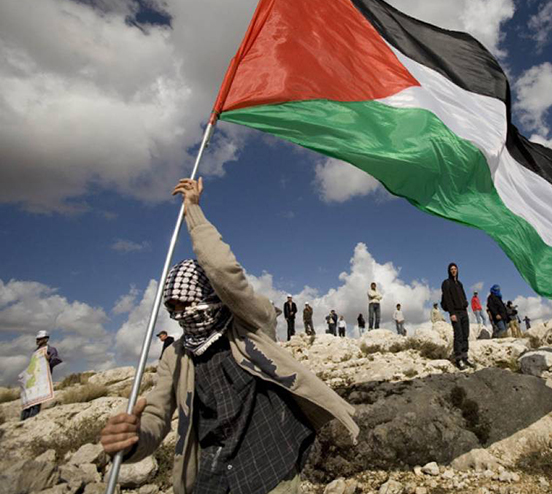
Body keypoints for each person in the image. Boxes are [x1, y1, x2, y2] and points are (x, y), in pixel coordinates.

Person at [99, 178, 358, 494]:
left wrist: (193, 211)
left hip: (270, 471)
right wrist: (134, 440)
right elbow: (157, 415)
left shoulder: (249, 325)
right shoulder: (175, 356)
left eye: (188, 302)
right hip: (211, 479)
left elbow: (225, 274)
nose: (183, 314)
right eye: (174, 307)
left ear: (210, 294)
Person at [21, 330, 62, 420]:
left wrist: (49, 359)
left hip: (41, 380)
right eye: (37, 339)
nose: (37, 340)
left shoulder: (50, 350)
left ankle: (31, 422)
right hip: (32, 381)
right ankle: (22, 422)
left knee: (36, 402)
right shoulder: (35, 352)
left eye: (40, 339)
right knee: (28, 403)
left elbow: (56, 359)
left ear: (46, 339)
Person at [441, 263, 473, 370]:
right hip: (455, 313)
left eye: (455, 269)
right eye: (451, 269)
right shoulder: (446, 283)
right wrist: (451, 313)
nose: (453, 271)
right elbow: (448, 299)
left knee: (465, 334)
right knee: (458, 335)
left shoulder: (459, 283)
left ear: (458, 270)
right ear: (449, 271)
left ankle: (465, 357)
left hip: (463, 311)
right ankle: (458, 358)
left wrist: (465, 303)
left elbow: (463, 295)